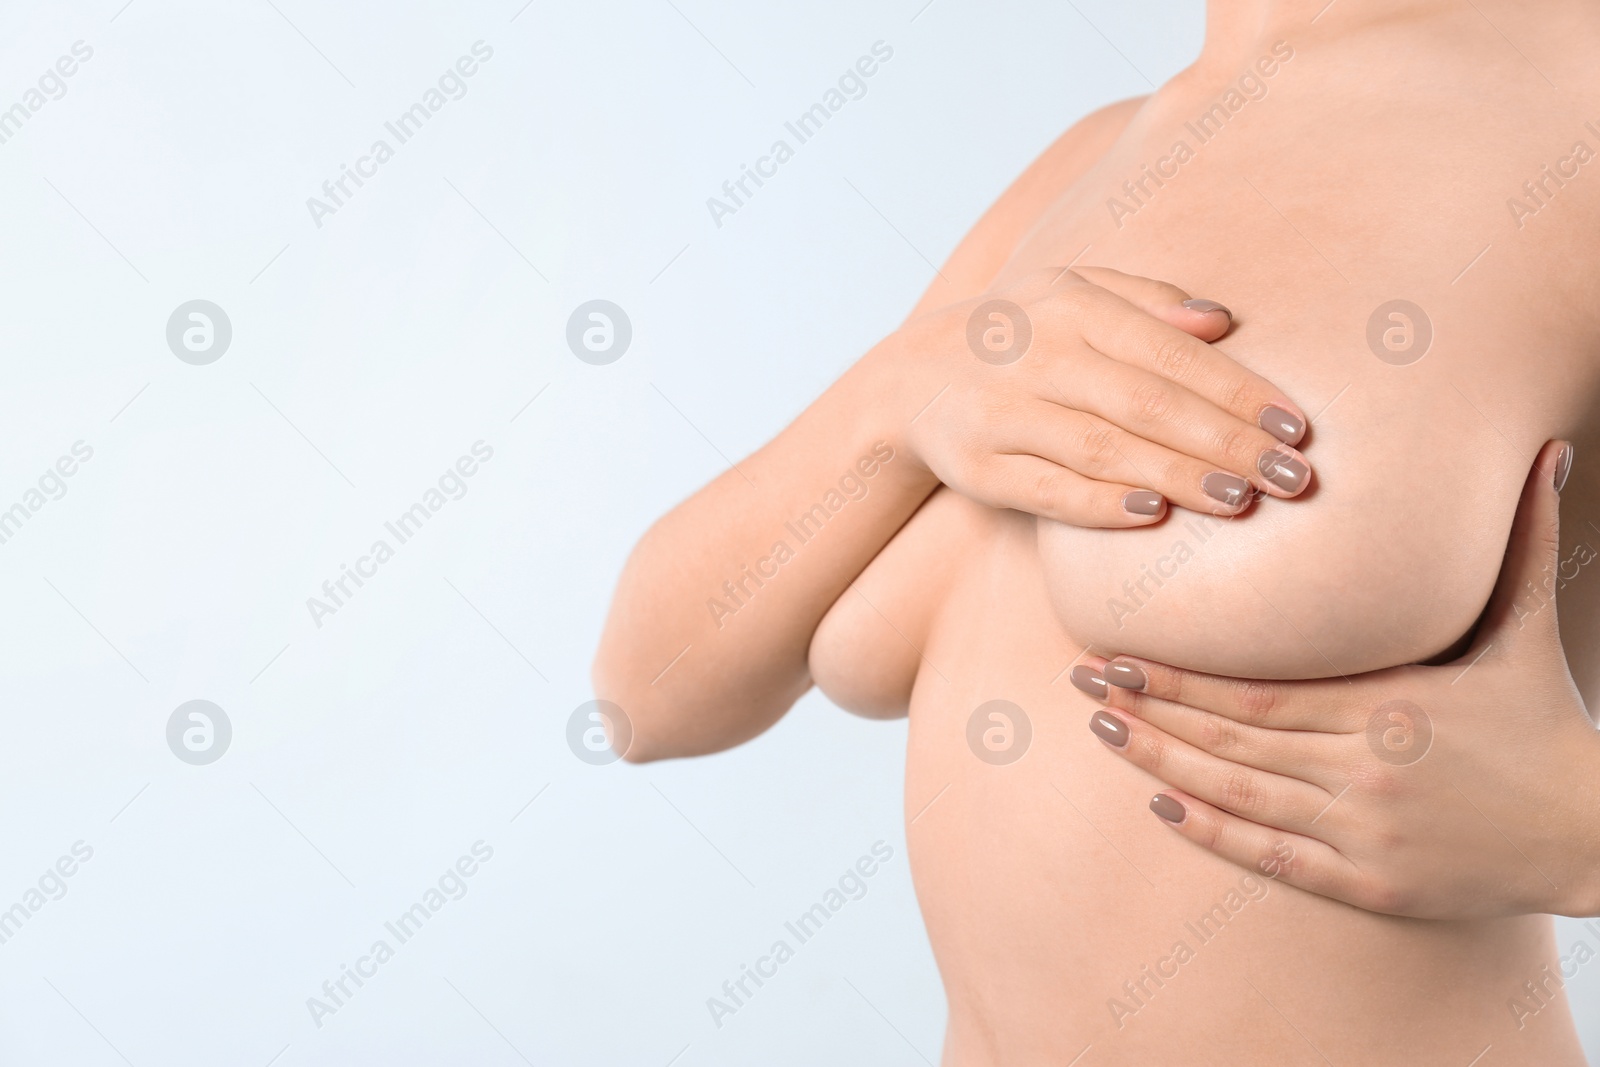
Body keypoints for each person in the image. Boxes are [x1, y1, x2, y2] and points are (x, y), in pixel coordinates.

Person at [595, 1, 1600, 1061]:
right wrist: (895, 399)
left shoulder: (1571, 107)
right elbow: (642, 698)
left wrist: (1579, 830)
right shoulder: (1097, 156)